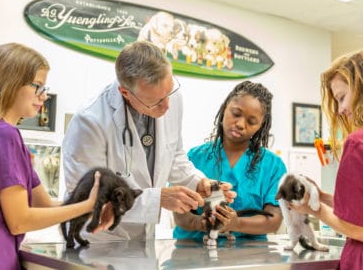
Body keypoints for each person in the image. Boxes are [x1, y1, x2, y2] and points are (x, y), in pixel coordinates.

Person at [62, 40, 236, 240]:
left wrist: (198, 183)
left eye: (169, 93)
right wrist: (157, 199)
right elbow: (88, 199)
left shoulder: (171, 97)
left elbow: (175, 156)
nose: (166, 106)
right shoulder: (90, 121)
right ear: (125, 92)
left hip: (143, 241)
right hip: (98, 240)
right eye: (155, 102)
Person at [0, 43, 113, 270]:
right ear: (11, 83)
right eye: (38, 87)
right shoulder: (4, 135)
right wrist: (87, 206)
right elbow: (20, 221)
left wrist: (91, 206)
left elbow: (43, 204)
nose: (44, 96)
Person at [173, 80, 286, 242]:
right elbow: (180, 214)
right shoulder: (195, 157)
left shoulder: (273, 166)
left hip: (250, 257)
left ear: (261, 126)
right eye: (236, 113)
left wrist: (236, 223)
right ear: (225, 108)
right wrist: (203, 223)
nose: (240, 124)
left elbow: (274, 221)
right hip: (193, 252)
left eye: (251, 121)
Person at [291, 50, 363, 269]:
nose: (340, 109)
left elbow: (357, 228)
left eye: (342, 97)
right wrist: (321, 197)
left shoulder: (357, 143)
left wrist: (314, 209)